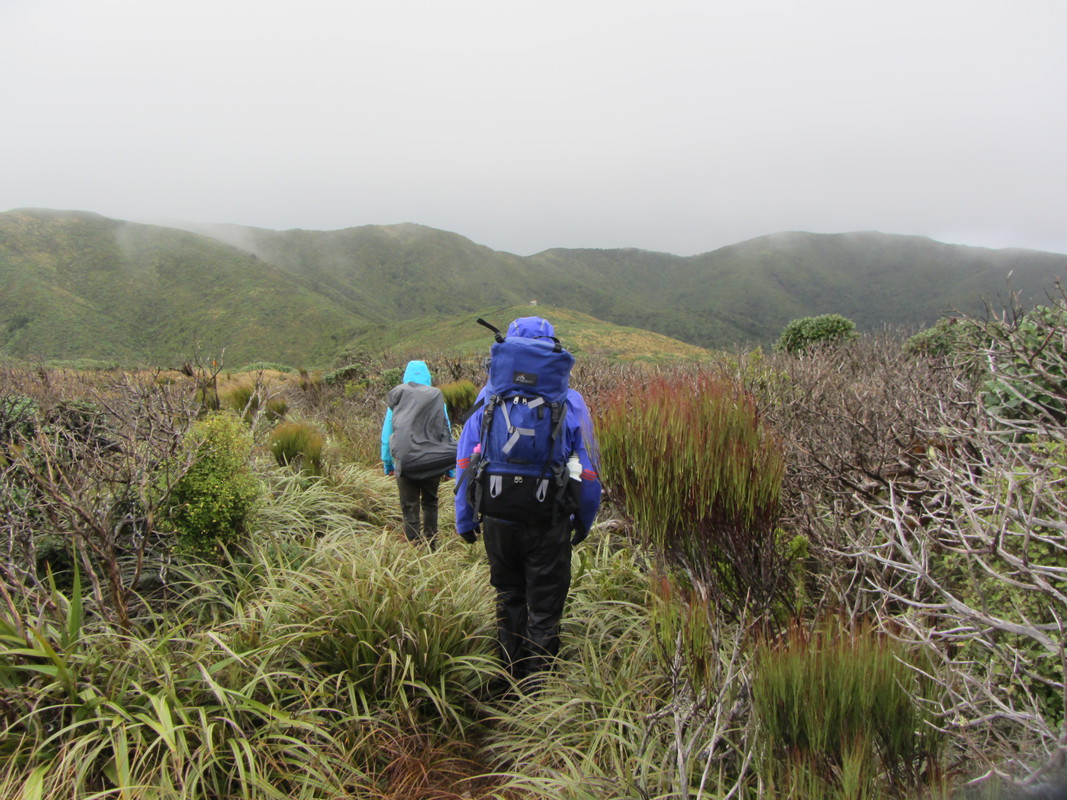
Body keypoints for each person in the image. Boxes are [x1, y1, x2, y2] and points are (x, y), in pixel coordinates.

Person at [454, 316, 602, 684]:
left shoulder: (488, 396)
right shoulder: (571, 401)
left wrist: (465, 518)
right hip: (549, 520)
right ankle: (538, 693)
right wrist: (583, 521)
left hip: (497, 516)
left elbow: (465, 461)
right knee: (545, 607)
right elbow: (588, 471)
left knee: (509, 598)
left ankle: (507, 679)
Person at [381, 360, 456, 550]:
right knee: (430, 503)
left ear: (406, 376)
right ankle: (431, 546)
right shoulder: (436, 399)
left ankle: (415, 547)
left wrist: (388, 464)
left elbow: (387, 435)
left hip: (405, 461)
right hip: (432, 461)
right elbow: (445, 432)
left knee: (409, 505)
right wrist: (449, 468)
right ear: (427, 376)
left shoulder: (398, 399)